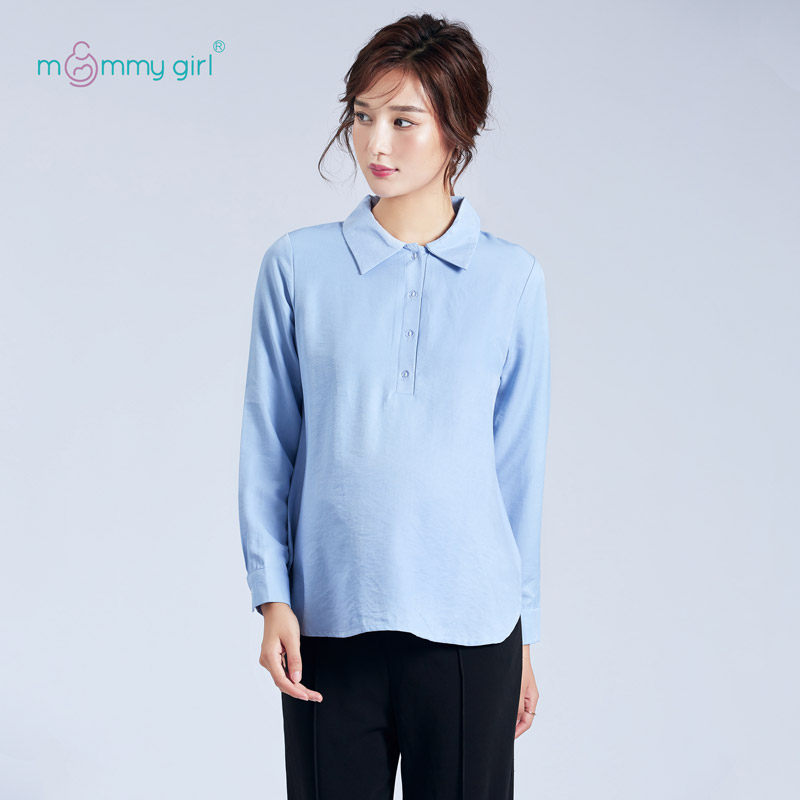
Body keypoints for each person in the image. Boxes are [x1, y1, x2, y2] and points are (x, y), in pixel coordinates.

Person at [237, 12, 551, 799]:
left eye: (403, 121)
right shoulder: (298, 266)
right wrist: (272, 596)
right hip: (329, 623)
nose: (375, 143)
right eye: (362, 116)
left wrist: (524, 635)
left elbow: (519, 469)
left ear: (457, 126)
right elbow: (269, 444)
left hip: (472, 631)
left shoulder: (512, 281)